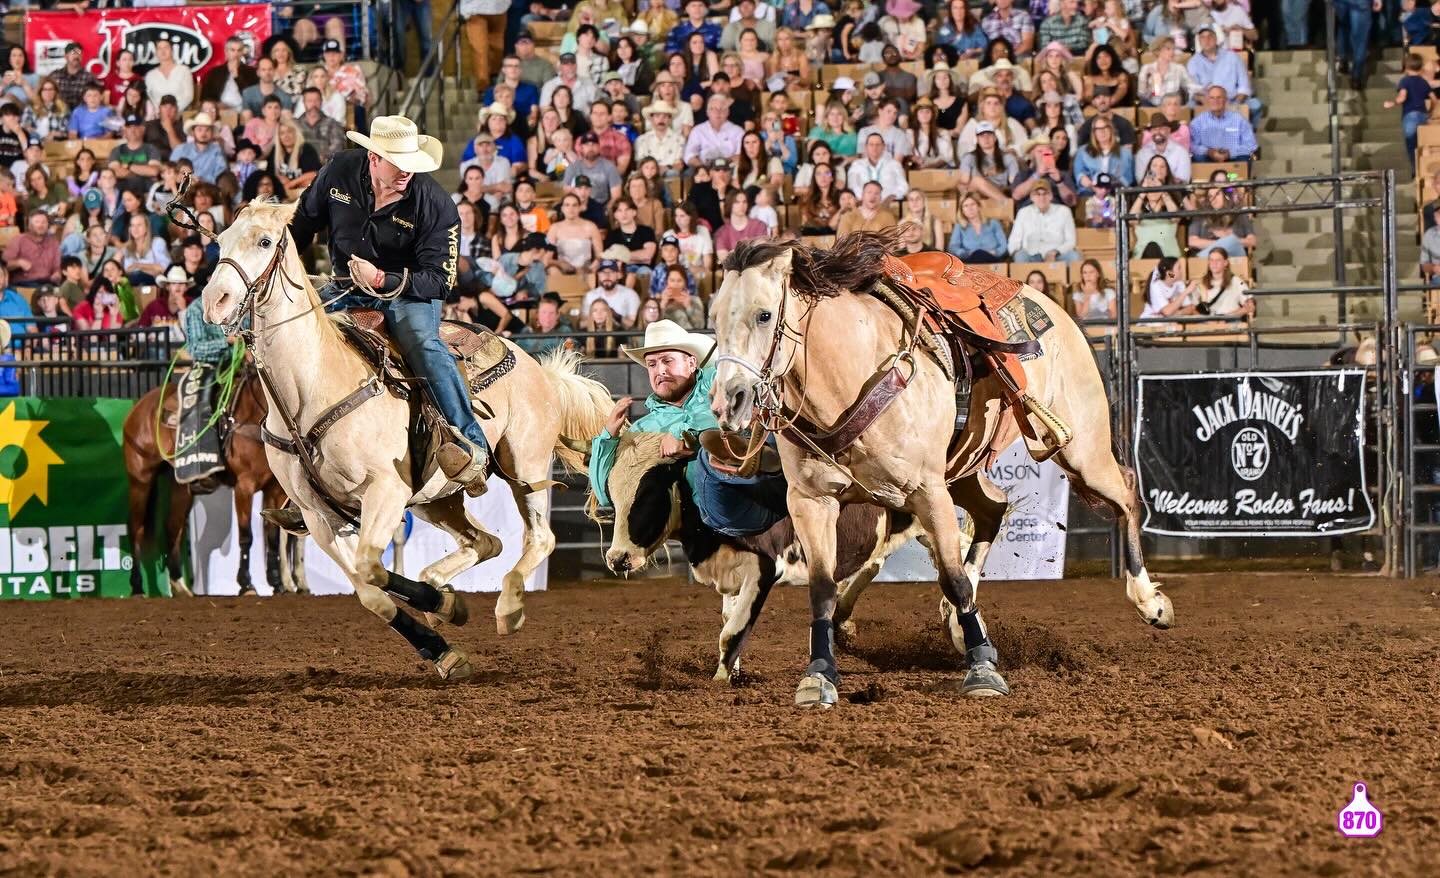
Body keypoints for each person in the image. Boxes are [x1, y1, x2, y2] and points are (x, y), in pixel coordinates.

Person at [290, 115, 491, 494]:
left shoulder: (435, 203)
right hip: (345, 285)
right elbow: (300, 226)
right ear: (373, 158)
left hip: (408, 292)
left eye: (411, 163)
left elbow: (440, 280)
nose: (406, 173)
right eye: (399, 162)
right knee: (295, 331)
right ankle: (300, 464)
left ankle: (471, 445)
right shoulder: (337, 172)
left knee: (423, 345)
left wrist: (384, 279)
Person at [589, 320, 786, 538]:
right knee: (706, 456)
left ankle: (770, 462)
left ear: (692, 363)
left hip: (775, 487)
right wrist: (607, 438)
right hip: (731, 508)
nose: (660, 370)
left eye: (667, 361)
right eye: (652, 364)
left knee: (772, 413)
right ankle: (761, 462)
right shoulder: (644, 428)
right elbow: (607, 496)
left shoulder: (718, 379)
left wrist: (685, 432)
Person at [1008, 180, 1080, 263]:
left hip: (1056, 256)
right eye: (1037, 194)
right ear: (1031, 197)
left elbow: (1071, 241)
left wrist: (1055, 252)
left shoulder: (1064, 211)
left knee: (1074, 256)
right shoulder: (1023, 212)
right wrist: (1015, 253)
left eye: (1045, 193)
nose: (1042, 198)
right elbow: (1014, 240)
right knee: (1020, 256)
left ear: (1051, 196)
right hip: (1030, 256)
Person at [1190, 85, 1258, 162]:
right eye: (1212, 98)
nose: (1215, 101)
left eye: (1219, 97)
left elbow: (1251, 145)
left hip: (1232, 161)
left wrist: (1230, 153)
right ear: (1208, 101)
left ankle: (1232, 174)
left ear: (1226, 100)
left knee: (1244, 157)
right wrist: (1208, 151)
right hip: (1208, 161)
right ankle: (1207, 174)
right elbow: (1191, 145)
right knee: (1198, 157)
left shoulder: (1239, 120)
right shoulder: (1198, 121)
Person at [5, 211, 62, 287]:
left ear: (48, 225)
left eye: (44, 222)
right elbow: (4, 265)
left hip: (47, 284)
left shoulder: (54, 243)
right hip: (23, 284)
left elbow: (57, 267)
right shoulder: (18, 240)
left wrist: (57, 274)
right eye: (37, 222)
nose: (40, 225)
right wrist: (18, 263)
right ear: (29, 225)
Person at [201, 37, 258, 111]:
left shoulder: (251, 72)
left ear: (242, 52)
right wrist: (216, 104)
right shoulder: (215, 72)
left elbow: (251, 97)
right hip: (219, 109)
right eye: (232, 50)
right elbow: (206, 96)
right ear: (226, 51)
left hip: (243, 109)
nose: (236, 54)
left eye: (239, 50)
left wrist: (236, 77)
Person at [947, 193, 1007, 263]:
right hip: (970, 260)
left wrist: (995, 252)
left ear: (978, 206)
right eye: (966, 206)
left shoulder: (993, 223)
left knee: (980, 254)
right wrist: (966, 253)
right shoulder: (959, 226)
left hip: (992, 259)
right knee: (978, 254)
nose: (970, 208)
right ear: (962, 210)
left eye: (972, 204)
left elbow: (1003, 244)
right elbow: (953, 247)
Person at [171, 113, 228, 184]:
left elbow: (221, 173)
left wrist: (203, 181)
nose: (203, 133)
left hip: (208, 188)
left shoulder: (216, 150)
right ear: (193, 132)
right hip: (183, 187)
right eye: (199, 130)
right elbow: (171, 170)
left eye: (207, 130)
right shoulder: (181, 149)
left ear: (212, 133)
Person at [145, 39, 194, 112]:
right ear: (156, 52)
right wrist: (161, 112)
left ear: (172, 50)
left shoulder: (184, 70)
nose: (163, 51)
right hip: (158, 116)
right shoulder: (150, 75)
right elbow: (150, 98)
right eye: (159, 48)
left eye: (166, 47)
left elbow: (189, 96)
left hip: (180, 115)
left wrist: (173, 111)